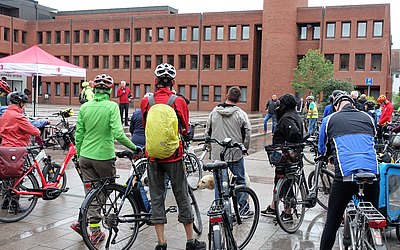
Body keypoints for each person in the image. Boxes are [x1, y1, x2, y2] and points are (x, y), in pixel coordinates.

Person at [140, 63, 206, 250]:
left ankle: (161, 243)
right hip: (174, 156)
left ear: (155, 81)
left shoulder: (147, 101)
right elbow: (185, 127)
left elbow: (146, 126)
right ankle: (190, 241)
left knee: (156, 197)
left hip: (153, 157)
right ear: (173, 82)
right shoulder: (179, 101)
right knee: (181, 194)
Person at [71, 74, 140, 245]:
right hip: (103, 157)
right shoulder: (111, 107)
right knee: (105, 190)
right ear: (110, 90)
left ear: (94, 89)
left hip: (85, 156)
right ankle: (94, 230)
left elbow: (78, 134)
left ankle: (84, 224)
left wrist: (79, 155)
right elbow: (118, 133)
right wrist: (134, 147)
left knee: (91, 192)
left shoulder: (85, 107)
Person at [318, 91, 379, 250]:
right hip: (372, 174)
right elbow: (373, 138)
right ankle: (372, 240)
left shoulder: (329, 119)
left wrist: (325, 156)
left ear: (336, 106)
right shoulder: (368, 118)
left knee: (332, 221)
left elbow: (321, 148)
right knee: (372, 218)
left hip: (346, 176)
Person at [206, 86, 252, 217]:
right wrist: (244, 148)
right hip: (235, 153)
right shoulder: (241, 114)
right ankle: (243, 208)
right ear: (239, 99)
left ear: (226, 96)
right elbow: (247, 133)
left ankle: (220, 208)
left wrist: (211, 150)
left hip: (218, 154)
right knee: (241, 181)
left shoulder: (214, 112)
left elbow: (207, 132)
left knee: (219, 183)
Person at [261, 93, 303, 217]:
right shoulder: (295, 115)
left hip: (285, 156)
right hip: (290, 156)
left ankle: (288, 211)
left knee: (284, 183)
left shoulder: (286, 118)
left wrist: (287, 145)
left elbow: (294, 133)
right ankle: (273, 207)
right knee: (280, 181)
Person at [0, 91, 40, 213]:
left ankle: (6, 203)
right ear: (20, 103)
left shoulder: (6, 113)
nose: (25, 106)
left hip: (5, 147)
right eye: (24, 103)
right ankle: (14, 205)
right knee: (18, 176)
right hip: (17, 148)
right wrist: (38, 129)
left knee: (8, 176)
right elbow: (34, 131)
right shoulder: (18, 116)